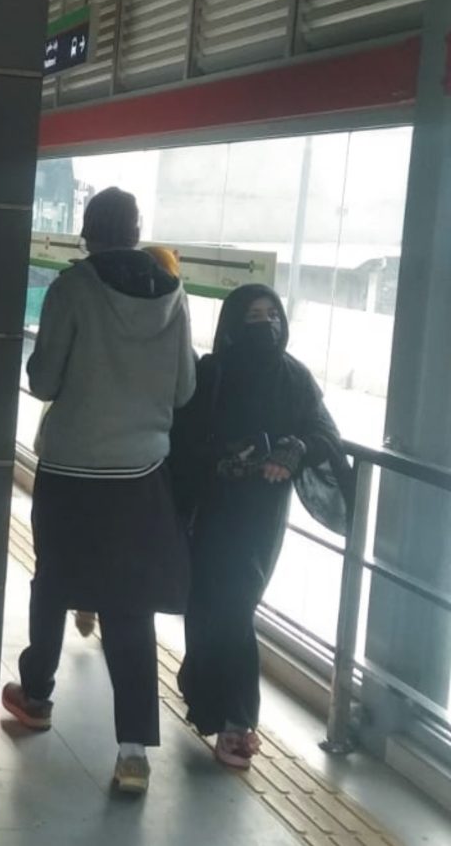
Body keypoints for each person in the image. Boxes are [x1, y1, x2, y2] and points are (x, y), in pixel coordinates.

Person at [1, 187, 196, 796]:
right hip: (141, 474)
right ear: (136, 232)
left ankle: (36, 696)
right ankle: (133, 752)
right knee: (130, 607)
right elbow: (185, 389)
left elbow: (43, 380)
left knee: (53, 582)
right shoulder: (174, 294)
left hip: (72, 469)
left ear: (88, 232)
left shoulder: (73, 288)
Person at [172, 284, 350, 770]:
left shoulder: (294, 377)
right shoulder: (211, 374)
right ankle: (210, 698)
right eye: (253, 316)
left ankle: (234, 718)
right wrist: (224, 458)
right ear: (232, 324)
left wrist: (294, 449)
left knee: (234, 606)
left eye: (273, 315)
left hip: (260, 517)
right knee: (208, 606)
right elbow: (183, 436)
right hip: (210, 508)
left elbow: (324, 433)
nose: (266, 324)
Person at [71, 241, 186, 641]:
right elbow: (185, 389)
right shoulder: (174, 308)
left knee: (79, 548)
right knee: (129, 577)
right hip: (145, 467)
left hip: (85, 459)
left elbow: (49, 378)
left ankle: (83, 607)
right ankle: (121, 637)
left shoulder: (86, 296)